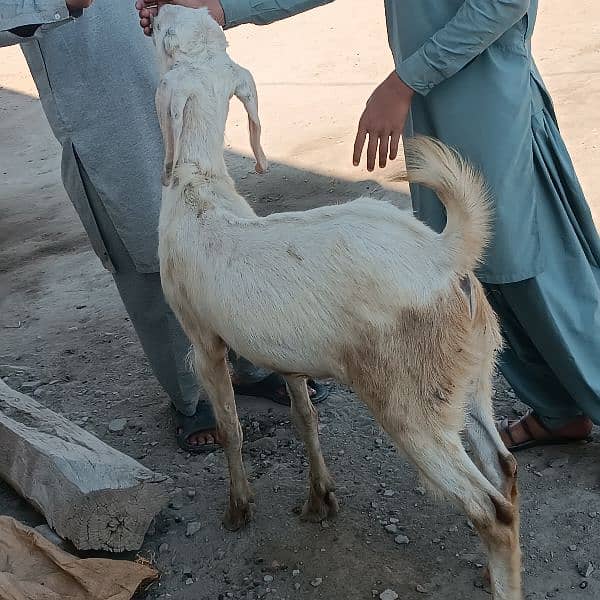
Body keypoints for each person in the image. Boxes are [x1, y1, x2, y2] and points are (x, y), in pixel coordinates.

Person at [138, 0, 600, 451]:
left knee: (531, 270)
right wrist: (221, 9)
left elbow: (504, 4)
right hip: (433, 107)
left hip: (489, 104)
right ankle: (558, 410)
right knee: (469, 278)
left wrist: (404, 82)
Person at [0, 0, 329, 453]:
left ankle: (256, 362)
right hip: (109, 124)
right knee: (149, 261)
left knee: (220, 235)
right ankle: (192, 397)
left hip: (188, 100)